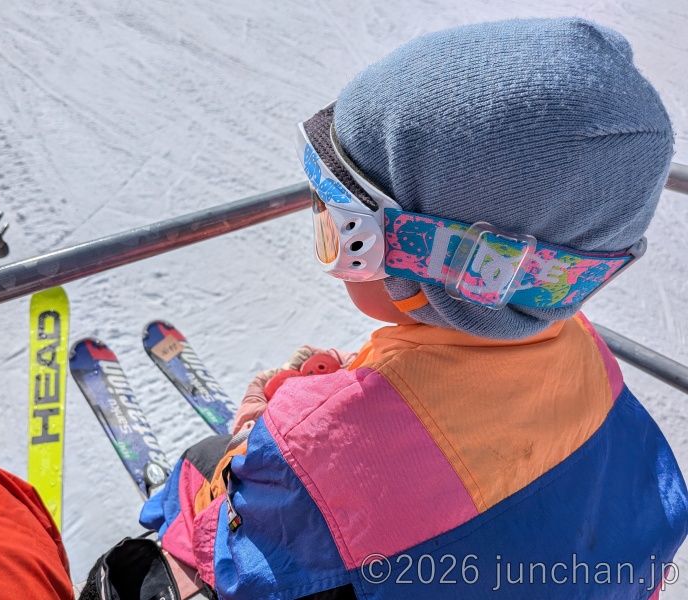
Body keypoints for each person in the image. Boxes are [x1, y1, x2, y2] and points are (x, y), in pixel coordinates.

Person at [140, 16, 688, 600]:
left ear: (444, 264)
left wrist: (258, 444)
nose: (323, 228)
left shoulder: (319, 447)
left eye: (338, 222)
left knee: (199, 472)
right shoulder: (583, 355)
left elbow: (235, 565)